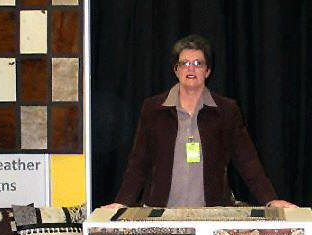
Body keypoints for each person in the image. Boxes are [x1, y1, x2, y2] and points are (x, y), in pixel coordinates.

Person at [104, 34, 296, 209]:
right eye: (185, 63)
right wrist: (121, 203)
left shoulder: (226, 111)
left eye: (198, 63)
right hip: (160, 213)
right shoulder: (153, 109)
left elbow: (247, 161)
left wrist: (270, 200)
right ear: (176, 69)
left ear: (208, 70)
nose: (191, 68)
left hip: (211, 214)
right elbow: (138, 163)